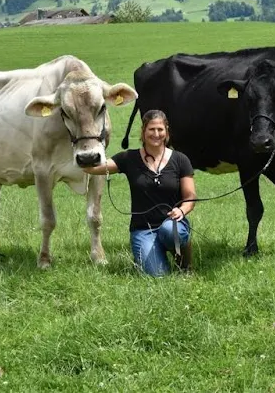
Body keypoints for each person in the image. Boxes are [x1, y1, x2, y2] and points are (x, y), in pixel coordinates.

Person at [83, 109, 196, 276]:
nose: (156, 134)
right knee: (158, 276)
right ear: (143, 131)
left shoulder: (180, 160)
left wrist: (182, 210)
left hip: (172, 224)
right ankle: (149, 254)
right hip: (144, 229)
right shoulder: (128, 158)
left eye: (160, 129)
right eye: (151, 129)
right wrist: (82, 149)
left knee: (171, 232)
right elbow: (91, 168)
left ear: (166, 131)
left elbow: (190, 197)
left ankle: (185, 266)